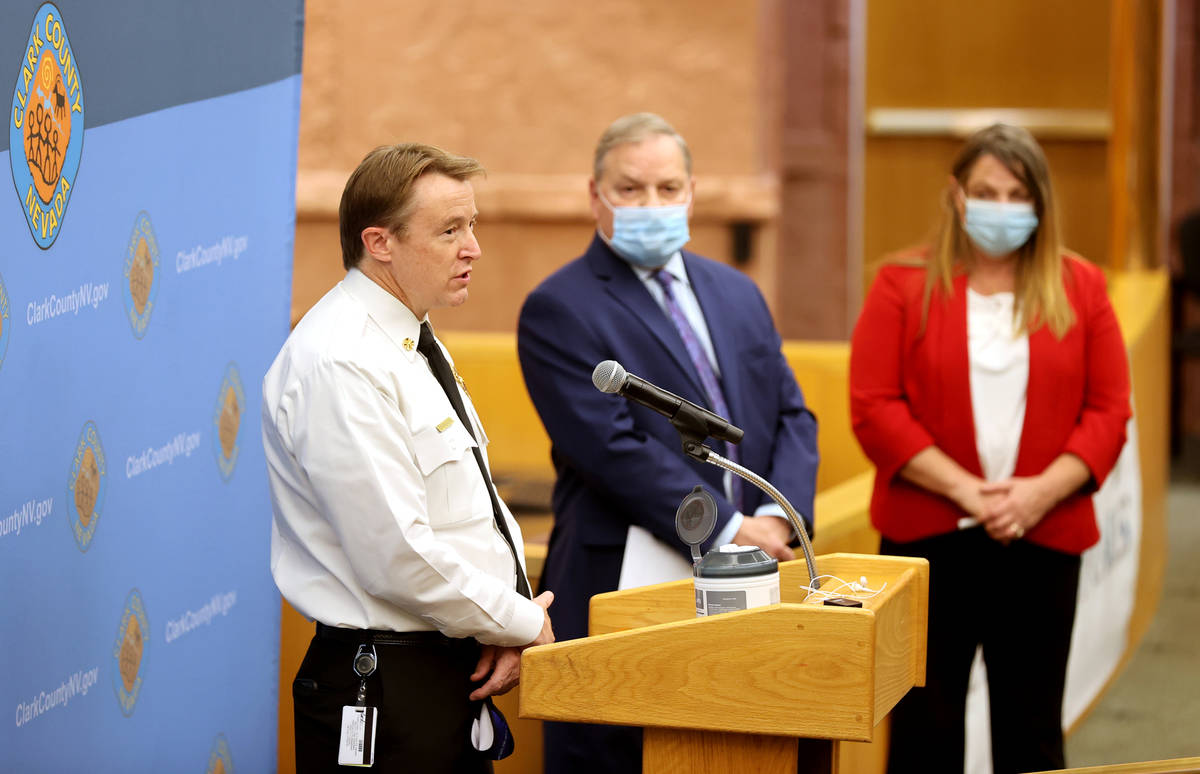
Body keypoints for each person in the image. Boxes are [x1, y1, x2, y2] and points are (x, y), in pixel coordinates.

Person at [517, 112, 819, 774]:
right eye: (630, 190)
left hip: (754, 573)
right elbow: (612, 450)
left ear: (691, 193)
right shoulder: (559, 308)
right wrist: (732, 526)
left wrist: (777, 516)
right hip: (626, 577)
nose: (651, 205)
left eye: (667, 188)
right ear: (594, 195)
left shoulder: (737, 292)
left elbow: (793, 415)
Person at [262, 143, 555, 773]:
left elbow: (469, 507)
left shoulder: (408, 339)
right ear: (380, 242)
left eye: (471, 225)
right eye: (450, 230)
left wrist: (503, 624)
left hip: (442, 669)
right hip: (384, 684)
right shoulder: (341, 358)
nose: (472, 247)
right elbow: (395, 553)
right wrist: (519, 622)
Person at [849, 124, 1131, 774]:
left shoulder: (1081, 287)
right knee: (924, 735)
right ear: (956, 194)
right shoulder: (900, 283)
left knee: (1031, 733)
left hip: (1042, 540)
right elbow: (873, 407)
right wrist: (968, 492)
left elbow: (1110, 410)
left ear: (1039, 203)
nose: (1000, 207)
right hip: (928, 543)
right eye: (985, 192)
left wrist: (1034, 494)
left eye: (1015, 194)